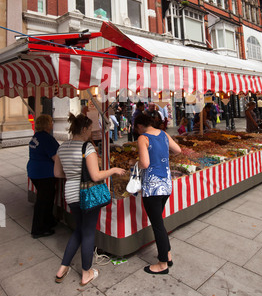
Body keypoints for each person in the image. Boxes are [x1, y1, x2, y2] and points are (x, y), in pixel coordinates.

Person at [54, 113, 125, 286]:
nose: (91, 133)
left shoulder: (62, 147)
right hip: (87, 194)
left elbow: (57, 173)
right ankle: (86, 272)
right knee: (87, 233)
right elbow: (95, 175)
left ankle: (63, 267)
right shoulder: (87, 148)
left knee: (79, 230)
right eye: (90, 129)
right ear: (84, 129)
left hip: (70, 194)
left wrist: (72, 175)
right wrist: (114, 170)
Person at [133, 114, 181, 275]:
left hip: (152, 188)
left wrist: (134, 164)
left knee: (157, 225)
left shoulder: (143, 138)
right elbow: (178, 150)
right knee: (159, 221)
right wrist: (162, 159)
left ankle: (162, 264)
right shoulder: (163, 134)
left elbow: (145, 163)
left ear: (140, 126)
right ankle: (167, 254)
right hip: (166, 185)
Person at [27, 114, 59, 239]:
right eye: (51, 122)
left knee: (48, 197)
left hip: (35, 171)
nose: (52, 124)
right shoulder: (47, 139)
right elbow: (56, 157)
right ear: (47, 125)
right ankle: (38, 229)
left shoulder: (36, 137)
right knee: (43, 201)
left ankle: (49, 220)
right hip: (44, 173)